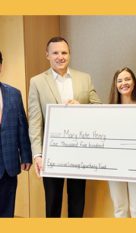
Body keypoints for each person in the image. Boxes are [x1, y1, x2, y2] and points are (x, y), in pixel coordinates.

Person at [28, 36, 101, 217]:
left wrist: (81, 108)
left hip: (79, 151)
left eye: (64, 52)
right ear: (47, 55)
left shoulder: (85, 78)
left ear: (69, 54)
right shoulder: (36, 82)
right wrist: (37, 155)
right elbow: (35, 121)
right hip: (51, 152)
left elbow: (99, 109)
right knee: (53, 201)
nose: (60, 57)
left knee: (77, 200)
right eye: (55, 53)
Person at [108, 67, 136, 217]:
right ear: (115, 85)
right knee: (120, 209)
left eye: (127, 79)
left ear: (134, 82)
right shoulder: (108, 111)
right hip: (114, 164)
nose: (124, 83)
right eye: (120, 80)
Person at [0, 51, 32, 217]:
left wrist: (26, 155)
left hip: (8, 164)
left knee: (6, 213)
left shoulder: (13, 94)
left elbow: (22, 126)